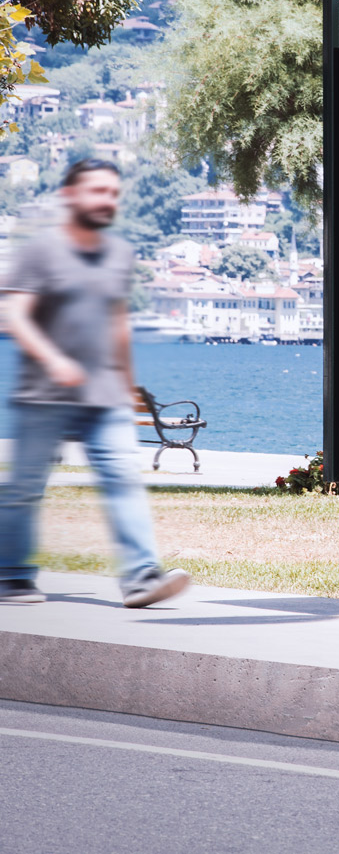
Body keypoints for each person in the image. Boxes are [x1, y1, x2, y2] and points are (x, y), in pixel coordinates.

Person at [0, 158, 191, 606]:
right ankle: (10, 575)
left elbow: (118, 324)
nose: (107, 200)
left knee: (123, 479)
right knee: (25, 486)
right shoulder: (41, 250)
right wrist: (53, 359)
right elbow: (15, 317)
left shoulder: (118, 254)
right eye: (97, 191)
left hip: (104, 397)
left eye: (113, 192)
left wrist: (129, 386)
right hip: (43, 396)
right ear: (70, 195)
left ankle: (142, 576)